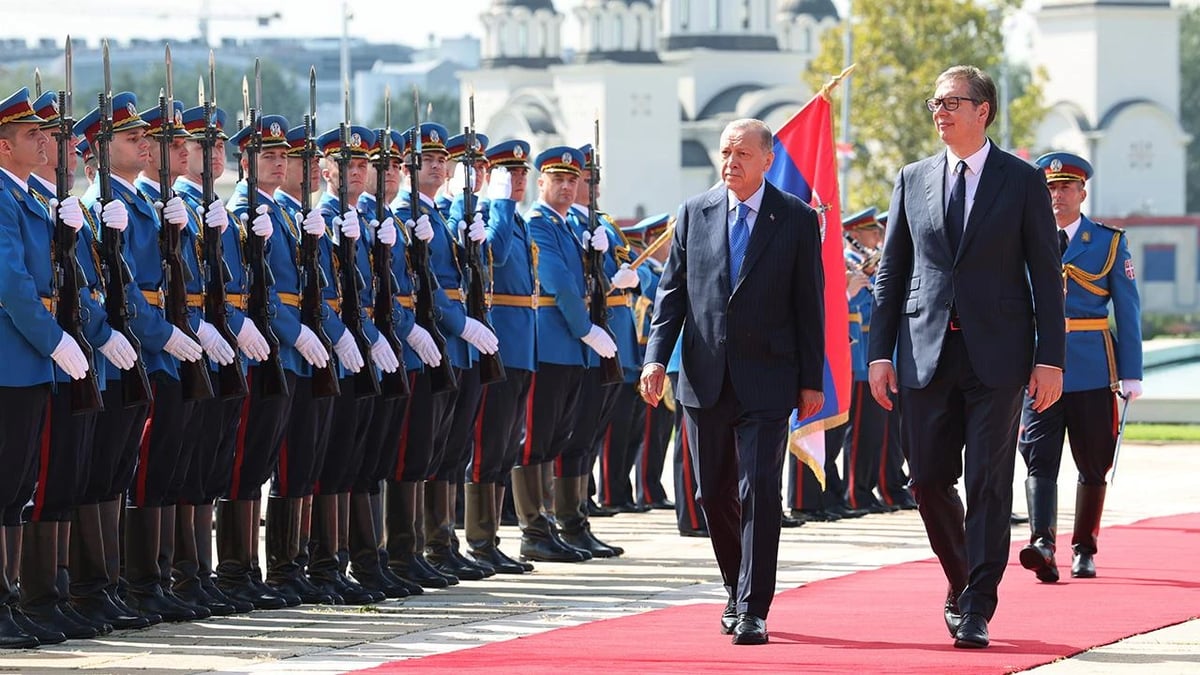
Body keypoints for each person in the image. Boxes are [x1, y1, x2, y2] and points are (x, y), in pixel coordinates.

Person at [867, 65, 1065, 649]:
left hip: (998, 356)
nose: (940, 111)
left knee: (987, 480)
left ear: (984, 110)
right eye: (935, 102)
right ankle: (962, 580)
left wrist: (1050, 359)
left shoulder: (1021, 181)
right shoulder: (913, 178)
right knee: (927, 479)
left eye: (952, 102)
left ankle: (978, 604)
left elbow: (1046, 275)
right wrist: (879, 353)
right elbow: (891, 272)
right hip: (924, 351)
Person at [641, 117, 825, 646]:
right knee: (711, 492)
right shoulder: (694, 213)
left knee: (760, 490)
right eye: (725, 152)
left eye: (742, 153)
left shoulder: (795, 217)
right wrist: (655, 359)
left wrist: (811, 379)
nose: (731, 162)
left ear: (767, 159)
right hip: (704, 377)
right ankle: (735, 586)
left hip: (769, 379)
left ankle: (753, 607)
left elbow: (809, 305)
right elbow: (672, 296)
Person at [1017, 152, 1143, 583]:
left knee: (1093, 462)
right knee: (1039, 458)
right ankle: (1042, 544)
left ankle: (1084, 548)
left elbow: (1128, 310)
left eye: (1066, 187)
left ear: (1082, 192)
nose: (1058, 195)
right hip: (1038, 368)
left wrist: (1131, 372)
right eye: (1050, 188)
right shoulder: (1024, 238)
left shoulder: (1107, 242)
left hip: (1091, 367)